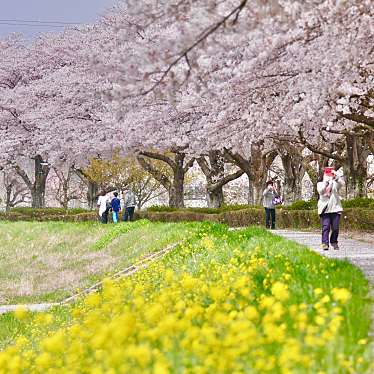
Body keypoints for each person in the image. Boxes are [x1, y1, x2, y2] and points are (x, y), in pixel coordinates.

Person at [317, 168, 344, 250]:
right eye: (327, 173)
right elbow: (321, 191)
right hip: (325, 209)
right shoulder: (320, 184)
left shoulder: (335, 183)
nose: (328, 175)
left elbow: (342, 183)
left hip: (335, 208)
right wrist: (326, 182)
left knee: (335, 228)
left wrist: (336, 176)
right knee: (326, 227)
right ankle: (325, 243)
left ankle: (334, 241)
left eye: (330, 174)